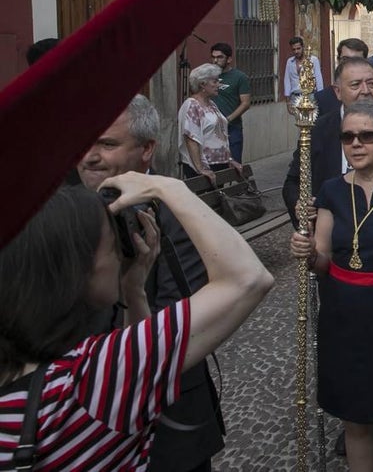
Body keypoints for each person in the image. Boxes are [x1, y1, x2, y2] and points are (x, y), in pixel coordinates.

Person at [0, 176, 272, 469]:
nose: (120, 255)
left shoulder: (39, 375)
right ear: (81, 269)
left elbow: (138, 375)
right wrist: (170, 187)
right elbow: (247, 279)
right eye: (112, 245)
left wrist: (133, 289)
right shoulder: (89, 381)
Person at [77, 95, 226, 472]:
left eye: (107, 144)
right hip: (84, 419)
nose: (90, 156)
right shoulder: (65, 210)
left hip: (167, 418)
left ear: (147, 149)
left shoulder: (179, 213)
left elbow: (179, 320)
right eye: (83, 143)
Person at [289, 100, 373, 472]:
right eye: (348, 137)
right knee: (355, 418)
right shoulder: (332, 190)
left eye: (367, 136)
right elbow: (321, 262)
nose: (356, 144)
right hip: (343, 320)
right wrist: (306, 253)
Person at [283, 56, 373, 224]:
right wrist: (300, 204)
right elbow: (293, 182)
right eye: (355, 85)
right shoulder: (317, 130)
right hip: (332, 232)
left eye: (371, 84)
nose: (365, 90)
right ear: (338, 92)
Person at [179, 63, 243, 182]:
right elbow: (191, 138)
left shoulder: (212, 104)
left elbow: (220, 135)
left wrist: (229, 160)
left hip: (219, 164)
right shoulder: (192, 105)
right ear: (202, 84)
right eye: (214, 82)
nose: (218, 85)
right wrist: (200, 168)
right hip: (204, 167)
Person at [209, 42, 252, 162]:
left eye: (220, 57)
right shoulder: (208, 76)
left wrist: (227, 119)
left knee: (234, 165)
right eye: (213, 57)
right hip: (211, 128)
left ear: (229, 59)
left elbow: (246, 103)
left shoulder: (239, 77)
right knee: (215, 165)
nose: (215, 60)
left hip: (232, 128)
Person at [317, 38, 371, 117]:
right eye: (346, 59)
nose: (351, 64)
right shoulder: (322, 99)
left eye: (357, 60)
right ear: (338, 60)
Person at [283, 35, 324, 102]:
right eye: (294, 49)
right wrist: (287, 100)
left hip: (310, 96)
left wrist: (321, 97)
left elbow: (319, 79)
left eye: (298, 48)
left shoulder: (313, 60)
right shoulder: (290, 62)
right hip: (295, 96)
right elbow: (287, 80)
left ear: (303, 47)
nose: (296, 51)